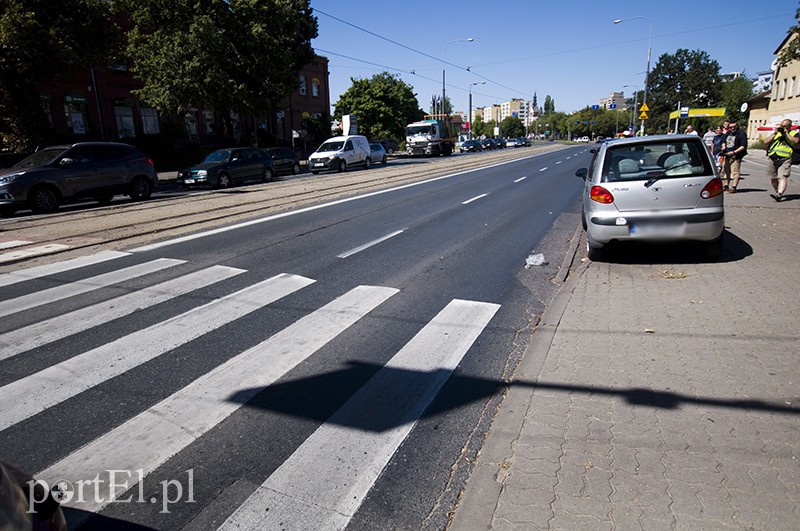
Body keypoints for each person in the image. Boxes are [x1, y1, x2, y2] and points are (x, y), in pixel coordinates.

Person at [764, 118, 798, 201]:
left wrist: (786, 134)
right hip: (773, 157)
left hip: (785, 158)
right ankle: (777, 191)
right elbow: (766, 142)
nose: (783, 128)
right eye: (782, 126)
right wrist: (774, 134)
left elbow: (795, 141)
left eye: (785, 126)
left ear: (790, 126)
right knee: (773, 178)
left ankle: (779, 194)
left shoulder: (794, 133)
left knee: (782, 177)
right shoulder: (777, 133)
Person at [722, 121, 748, 192]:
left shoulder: (741, 133)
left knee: (735, 171)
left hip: (735, 155)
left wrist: (734, 152)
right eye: (731, 127)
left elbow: (743, 146)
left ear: (737, 126)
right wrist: (723, 147)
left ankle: (734, 187)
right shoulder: (728, 133)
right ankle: (726, 185)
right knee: (726, 171)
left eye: (734, 127)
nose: (732, 128)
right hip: (727, 154)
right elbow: (724, 141)